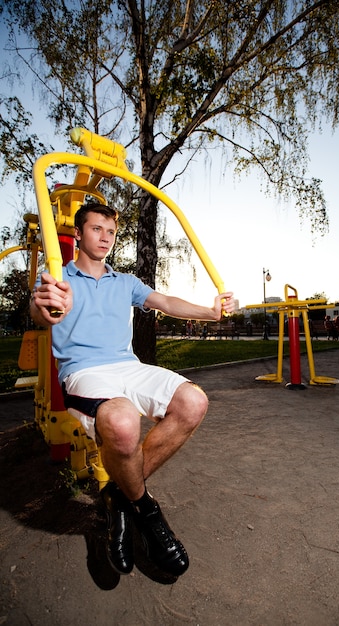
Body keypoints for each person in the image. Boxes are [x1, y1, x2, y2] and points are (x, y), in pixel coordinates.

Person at [30, 202, 235, 578]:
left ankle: (119, 499)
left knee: (193, 401)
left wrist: (211, 312)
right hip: (85, 373)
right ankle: (147, 511)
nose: (106, 237)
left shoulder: (124, 282)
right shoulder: (59, 278)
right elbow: (43, 310)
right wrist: (46, 308)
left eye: (110, 231)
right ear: (78, 234)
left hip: (128, 366)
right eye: (97, 229)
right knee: (123, 424)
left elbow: (166, 302)